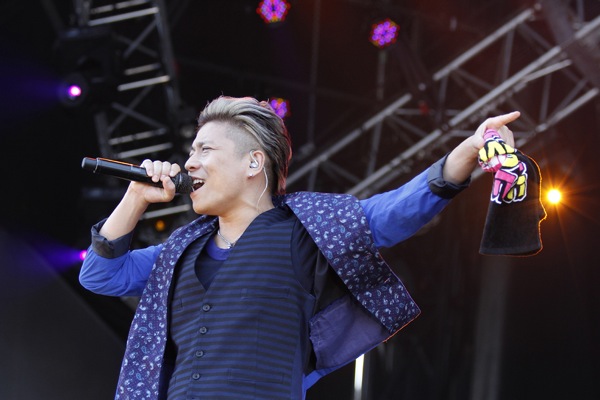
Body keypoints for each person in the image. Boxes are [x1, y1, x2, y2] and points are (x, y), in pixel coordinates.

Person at [79, 95, 520, 399]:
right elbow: (99, 275)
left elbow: (395, 212)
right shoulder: (180, 250)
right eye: (191, 151)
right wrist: (136, 197)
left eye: (205, 149)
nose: (189, 161)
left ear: (254, 162)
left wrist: (468, 151)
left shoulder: (306, 229)